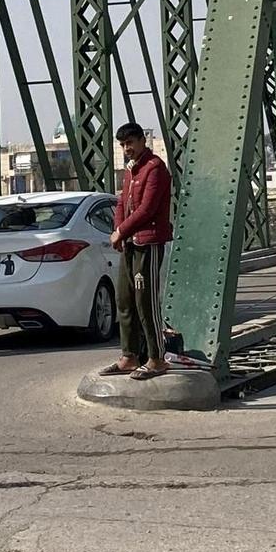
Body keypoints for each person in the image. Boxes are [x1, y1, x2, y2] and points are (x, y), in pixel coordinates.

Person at [103, 123, 173, 381]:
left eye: (130, 142)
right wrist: (119, 231)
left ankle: (157, 358)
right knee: (124, 299)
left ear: (143, 140)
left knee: (146, 301)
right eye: (122, 144)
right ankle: (129, 356)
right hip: (130, 244)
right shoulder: (130, 170)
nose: (126, 148)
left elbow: (147, 209)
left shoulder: (155, 168)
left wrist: (120, 230)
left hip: (148, 243)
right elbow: (123, 202)